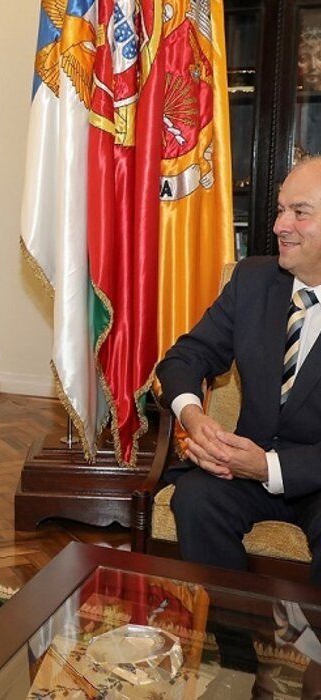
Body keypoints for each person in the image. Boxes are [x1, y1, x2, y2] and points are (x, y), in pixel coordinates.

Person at [156, 156, 321, 586]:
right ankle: (231, 628)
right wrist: (194, 417)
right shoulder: (252, 281)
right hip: (244, 465)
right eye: (280, 210)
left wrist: (267, 467)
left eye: (299, 213)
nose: (280, 225)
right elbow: (184, 357)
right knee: (195, 499)